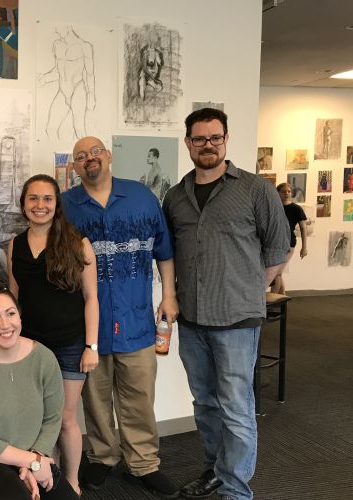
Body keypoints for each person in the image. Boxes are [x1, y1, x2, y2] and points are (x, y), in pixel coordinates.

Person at [162, 108, 290, 500]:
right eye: (199, 139)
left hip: (236, 321)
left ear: (226, 139)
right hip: (193, 320)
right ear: (188, 143)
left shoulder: (255, 190)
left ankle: (236, 490)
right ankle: (216, 470)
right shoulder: (176, 196)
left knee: (236, 407)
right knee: (205, 403)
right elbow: (170, 251)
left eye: (215, 138)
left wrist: (251, 288)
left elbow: (279, 247)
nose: (207, 145)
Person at [62, 136, 180, 499]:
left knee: (139, 397)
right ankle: (102, 457)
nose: (89, 159)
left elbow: (164, 249)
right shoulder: (66, 206)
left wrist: (170, 295)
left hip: (138, 321)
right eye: (81, 156)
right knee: (95, 399)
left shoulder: (142, 197)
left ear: (108, 156)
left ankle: (144, 463)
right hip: (89, 326)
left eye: (95, 151)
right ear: (75, 167)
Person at [6, 174, 98, 495]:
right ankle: (50, 476)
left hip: (71, 345)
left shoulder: (77, 243)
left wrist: (91, 345)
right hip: (31, 347)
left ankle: (71, 482)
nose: (40, 205)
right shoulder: (14, 245)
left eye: (47, 199)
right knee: (40, 419)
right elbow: (13, 301)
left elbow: (91, 299)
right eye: (33, 199)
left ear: (57, 204)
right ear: (24, 204)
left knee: (66, 419)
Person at [0, 277, 78, 500]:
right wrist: (32, 462)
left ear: (19, 315)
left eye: (10, 313)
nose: (5, 324)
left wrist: (37, 456)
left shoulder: (44, 358)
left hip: (32, 452)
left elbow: (52, 419)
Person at [272, 183, 308, 295]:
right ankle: (282, 298)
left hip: (289, 244)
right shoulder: (274, 207)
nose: (287, 194)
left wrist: (304, 247)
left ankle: (270, 302)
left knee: (276, 273)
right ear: (278, 193)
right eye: (283, 191)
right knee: (278, 273)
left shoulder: (296, 209)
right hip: (274, 243)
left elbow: (303, 228)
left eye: (288, 191)